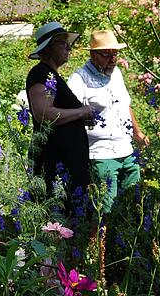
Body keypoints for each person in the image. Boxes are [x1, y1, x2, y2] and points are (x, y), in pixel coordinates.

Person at [68, 30, 149, 214]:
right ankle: (97, 242)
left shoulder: (116, 73)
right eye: (106, 55)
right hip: (101, 154)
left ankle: (125, 242)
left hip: (126, 150)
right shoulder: (79, 78)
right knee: (105, 207)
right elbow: (70, 113)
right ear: (92, 55)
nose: (112, 59)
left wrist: (137, 133)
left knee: (134, 204)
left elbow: (125, 105)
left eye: (115, 54)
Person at [25, 22, 95, 204]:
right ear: (48, 48)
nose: (69, 47)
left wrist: (80, 118)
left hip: (68, 164)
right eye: (63, 43)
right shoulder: (40, 73)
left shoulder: (52, 75)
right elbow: (43, 113)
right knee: (55, 216)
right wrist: (81, 112)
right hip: (54, 162)